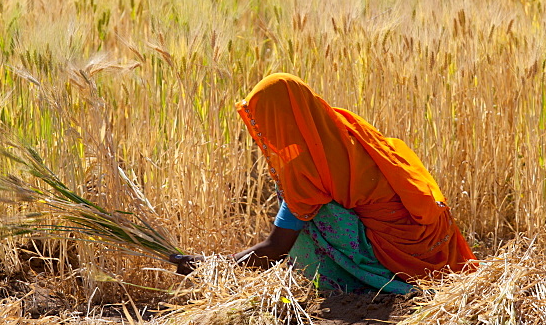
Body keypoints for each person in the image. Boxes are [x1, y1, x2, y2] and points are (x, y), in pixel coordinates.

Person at [172, 73, 476, 293]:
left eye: (265, 125)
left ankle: (353, 281)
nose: (263, 136)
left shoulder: (306, 173)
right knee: (300, 204)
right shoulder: (342, 126)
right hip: (434, 235)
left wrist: (209, 264)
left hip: (403, 255)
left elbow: (275, 247)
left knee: (307, 214)